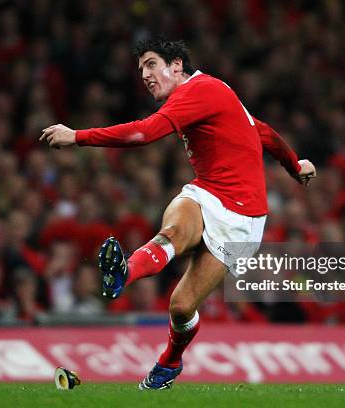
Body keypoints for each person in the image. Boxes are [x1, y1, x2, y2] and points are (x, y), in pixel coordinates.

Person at [40, 37, 316, 389]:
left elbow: (144, 133)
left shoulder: (200, 90)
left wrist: (77, 136)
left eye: (152, 64)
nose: (145, 74)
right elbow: (262, 131)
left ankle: (170, 362)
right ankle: (124, 273)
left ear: (177, 66)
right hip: (208, 194)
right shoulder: (211, 91)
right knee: (178, 219)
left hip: (244, 221)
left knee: (181, 307)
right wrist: (294, 166)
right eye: (141, 69)